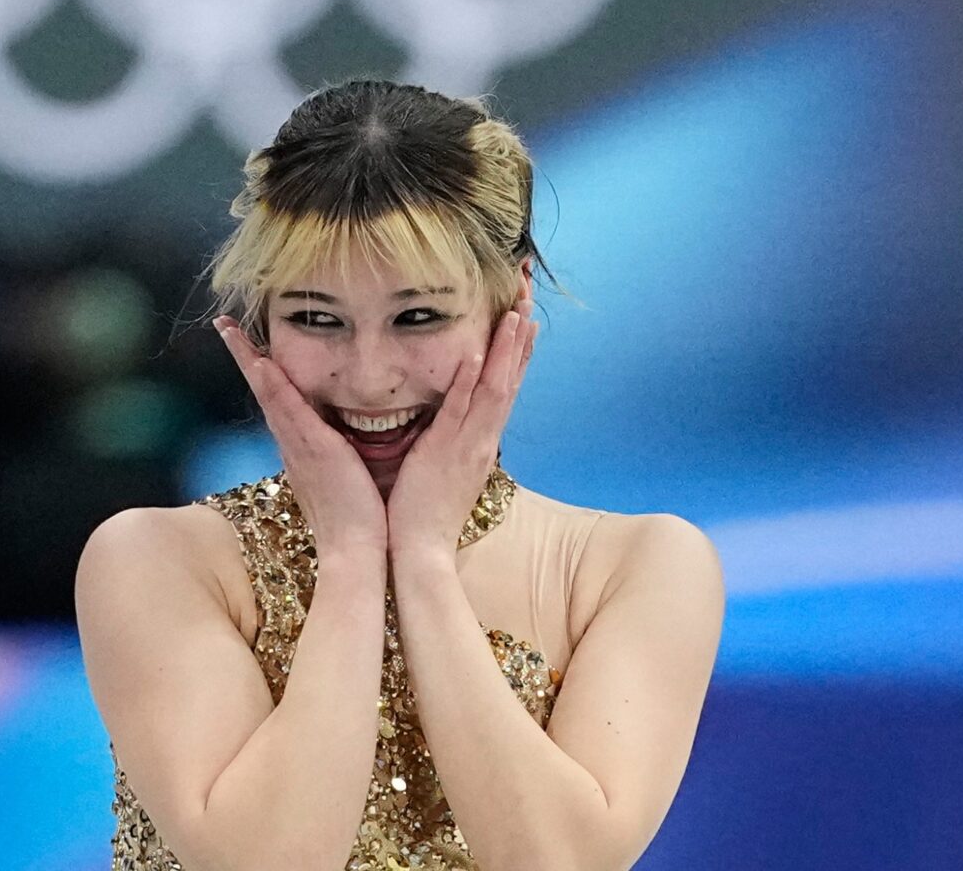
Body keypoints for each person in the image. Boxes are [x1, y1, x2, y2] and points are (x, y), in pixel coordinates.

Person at [75, 79, 725, 870]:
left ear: (509, 302)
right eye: (318, 319)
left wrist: (422, 559)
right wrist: (351, 558)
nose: (370, 376)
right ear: (261, 321)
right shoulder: (157, 560)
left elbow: (561, 863)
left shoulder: (632, 569)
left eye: (418, 317)